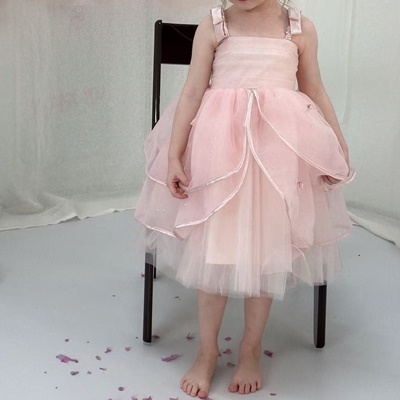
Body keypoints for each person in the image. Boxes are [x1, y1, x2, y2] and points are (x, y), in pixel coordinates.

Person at [134, 0, 356, 397]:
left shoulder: (298, 28)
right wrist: (174, 155)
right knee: (214, 252)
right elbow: (192, 92)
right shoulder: (214, 25)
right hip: (220, 158)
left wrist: (335, 145)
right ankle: (207, 351)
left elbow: (314, 90)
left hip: (275, 160)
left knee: (265, 251)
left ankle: (251, 349)